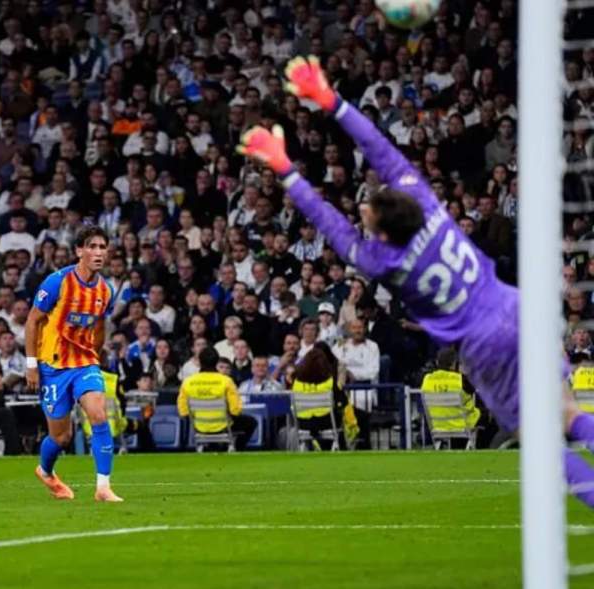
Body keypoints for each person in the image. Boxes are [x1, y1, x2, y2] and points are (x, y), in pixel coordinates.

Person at [239, 56, 594, 495]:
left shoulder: (381, 261)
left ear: (383, 233)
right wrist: (331, 100)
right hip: (514, 307)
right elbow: (378, 146)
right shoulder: (425, 203)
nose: (363, 212)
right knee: (568, 413)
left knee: (541, 443)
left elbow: (327, 219)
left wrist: (285, 169)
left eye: (367, 213)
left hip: (484, 343)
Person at [25, 226, 121, 502]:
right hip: (53, 367)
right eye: (92, 246)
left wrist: (95, 356)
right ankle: (45, 471)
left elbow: (99, 325)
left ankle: (103, 487)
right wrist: (31, 364)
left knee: (99, 415)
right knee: (61, 437)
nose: (98, 253)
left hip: (84, 364)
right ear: (79, 251)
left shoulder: (106, 290)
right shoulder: (57, 282)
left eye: (102, 247)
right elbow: (33, 320)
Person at [178, 347, 257, 449]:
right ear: (216, 362)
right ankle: (237, 448)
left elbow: (183, 412)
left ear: (200, 362)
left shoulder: (187, 382)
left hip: (199, 426)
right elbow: (236, 411)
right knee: (252, 422)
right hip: (223, 426)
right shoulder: (226, 381)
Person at [421, 347, 481, 445]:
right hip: (463, 425)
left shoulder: (427, 380)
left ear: (437, 363)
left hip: (438, 426)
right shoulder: (461, 381)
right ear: (454, 364)